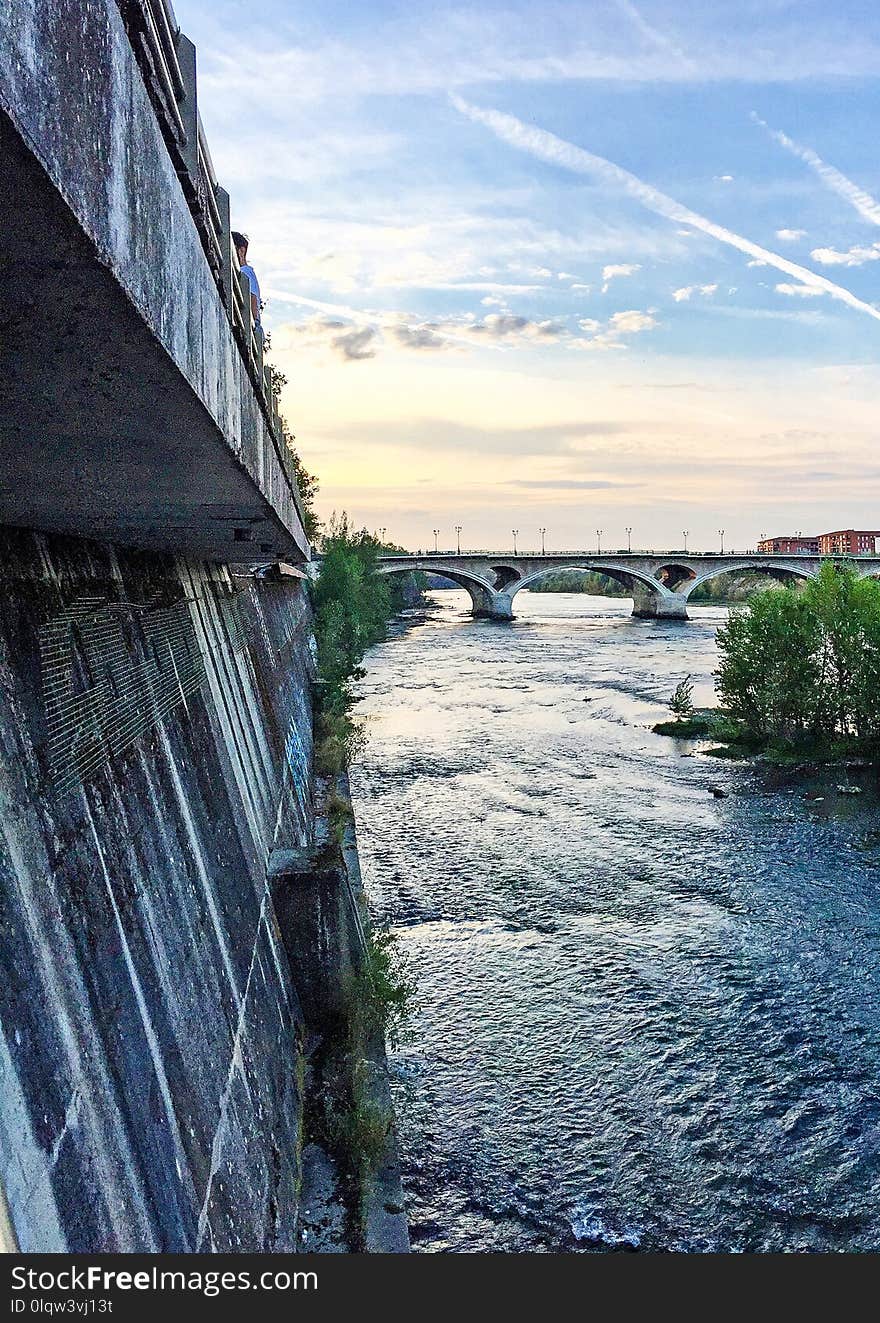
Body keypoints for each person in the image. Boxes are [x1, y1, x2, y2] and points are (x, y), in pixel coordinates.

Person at [232, 231, 262, 338]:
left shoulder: (245, 272)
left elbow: (253, 300)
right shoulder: (247, 273)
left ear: (241, 251)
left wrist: (253, 324)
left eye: (232, 248)